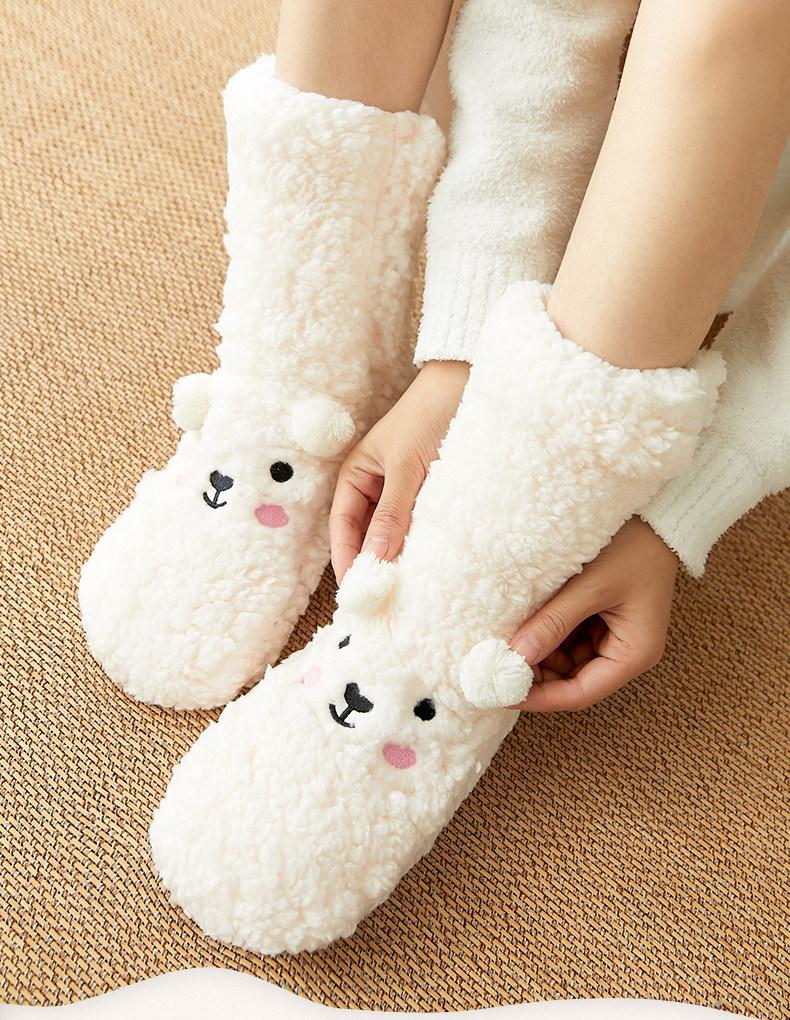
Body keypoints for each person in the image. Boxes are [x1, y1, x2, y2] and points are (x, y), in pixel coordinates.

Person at [322, 0, 790, 712]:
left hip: (703, 221)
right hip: (515, 120)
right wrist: (465, 350)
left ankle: (476, 580)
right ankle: (294, 366)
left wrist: (676, 512)